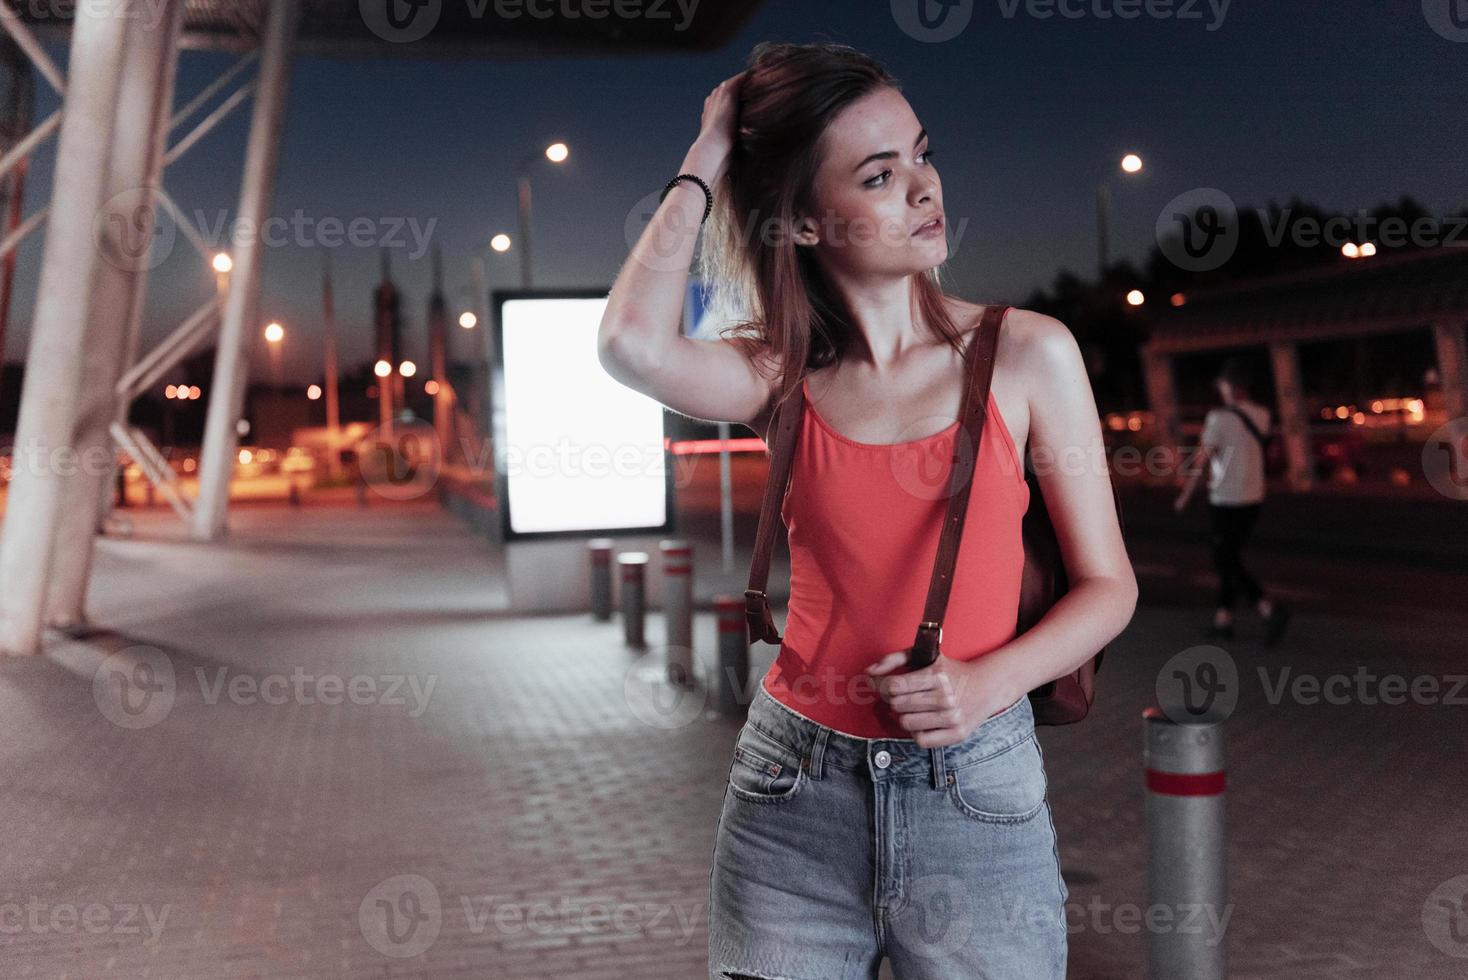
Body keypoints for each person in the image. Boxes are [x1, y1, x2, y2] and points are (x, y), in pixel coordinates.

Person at [598, 41, 1137, 979]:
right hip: (788, 796)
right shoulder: (778, 371)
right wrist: (708, 155)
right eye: (881, 176)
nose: (925, 189)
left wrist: (987, 682)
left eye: (922, 155)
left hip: (975, 793)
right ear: (804, 225)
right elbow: (631, 346)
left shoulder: (1028, 354)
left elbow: (1109, 587)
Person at [1173, 356, 1291, 645]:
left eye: (1224, 385)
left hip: (1225, 500)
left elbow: (1202, 461)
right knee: (1230, 557)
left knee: (1225, 559)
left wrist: (1185, 496)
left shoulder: (1219, 418)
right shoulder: (1262, 415)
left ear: (1234, 387)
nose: (1221, 390)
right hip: (1253, 498)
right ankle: (1223, 620)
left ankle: (1268, 609)